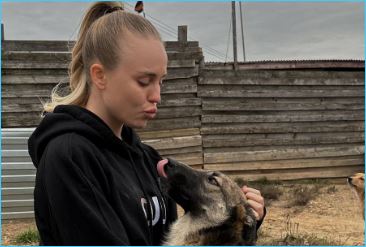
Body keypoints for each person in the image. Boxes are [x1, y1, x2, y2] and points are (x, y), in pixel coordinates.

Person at [28, 1, 266, 245]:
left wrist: (239, 222)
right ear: (100, 76)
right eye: (144, 81)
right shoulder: (69, 157)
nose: (157, 95)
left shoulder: (146, 158)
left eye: (160, 81)